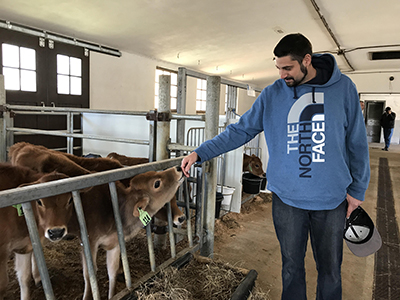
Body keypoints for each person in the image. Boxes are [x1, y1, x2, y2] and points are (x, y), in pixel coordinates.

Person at [181, 33, 370, 300]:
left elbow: (357, 143)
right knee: (291, 268)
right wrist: (201, 152)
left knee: (330, 270)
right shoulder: (272, 95)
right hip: (286, 200)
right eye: (278, 68)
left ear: (307, 60)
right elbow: (240, 131)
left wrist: (358, 189)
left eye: (288, 68)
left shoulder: (344, 89)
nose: (282, 74)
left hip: (331, 200)